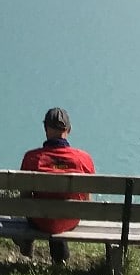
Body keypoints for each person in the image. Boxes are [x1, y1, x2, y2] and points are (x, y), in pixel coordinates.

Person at [17, 106, 95, 265]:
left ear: (45, 129)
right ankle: (59, 259)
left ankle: (27, 241)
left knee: (42, 212)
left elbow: (24, 197)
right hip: (70, 220)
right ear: (69, 129)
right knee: (60, 213)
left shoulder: (32, 158)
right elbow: (87, 201)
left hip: (39, 220)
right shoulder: (84, 159)